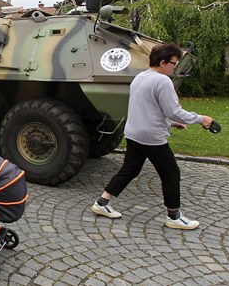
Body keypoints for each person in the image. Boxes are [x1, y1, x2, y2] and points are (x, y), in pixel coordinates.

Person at [90, 43, 214, 230]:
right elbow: (174, 111)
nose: (175, 67)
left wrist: (171, 123)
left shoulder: (139, 77)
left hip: (134, 134)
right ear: (163, 62)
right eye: (173, 63)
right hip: (151, 138)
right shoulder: (162, 81)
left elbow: (148, 109)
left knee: (130, 170)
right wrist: (201, 119)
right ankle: (174, 216)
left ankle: (101, 203)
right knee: (171, 174)